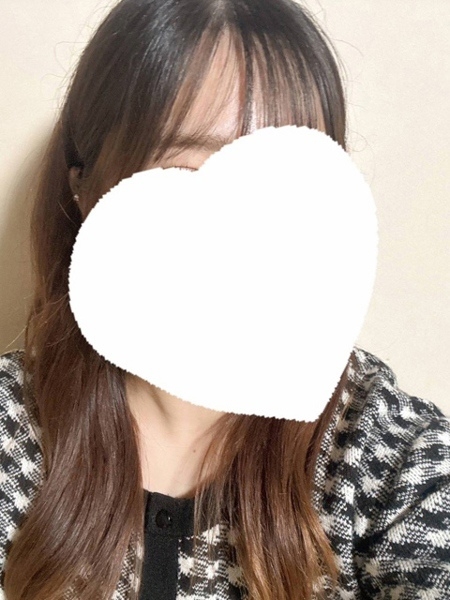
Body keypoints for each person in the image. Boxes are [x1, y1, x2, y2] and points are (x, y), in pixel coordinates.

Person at [1, 0, 449, 599]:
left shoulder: (383, 452)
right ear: (86, 189)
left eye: (288, 181)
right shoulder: (14, 433)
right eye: (187, 171)